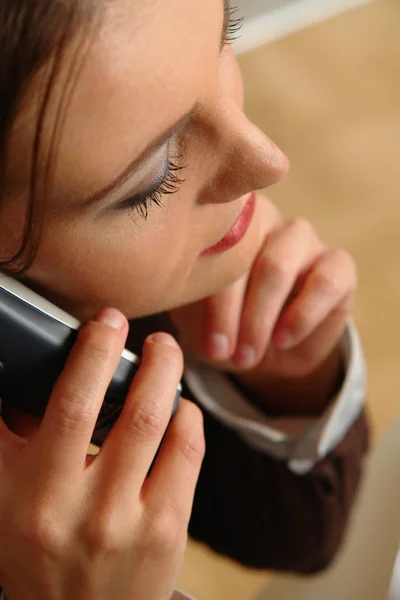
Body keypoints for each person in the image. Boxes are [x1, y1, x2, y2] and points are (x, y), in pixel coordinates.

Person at [0, 0, 369, 598]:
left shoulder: (106, 304)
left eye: (225, 34)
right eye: (153, 176)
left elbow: (304, 538)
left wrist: (284, 384)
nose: (267, 160)